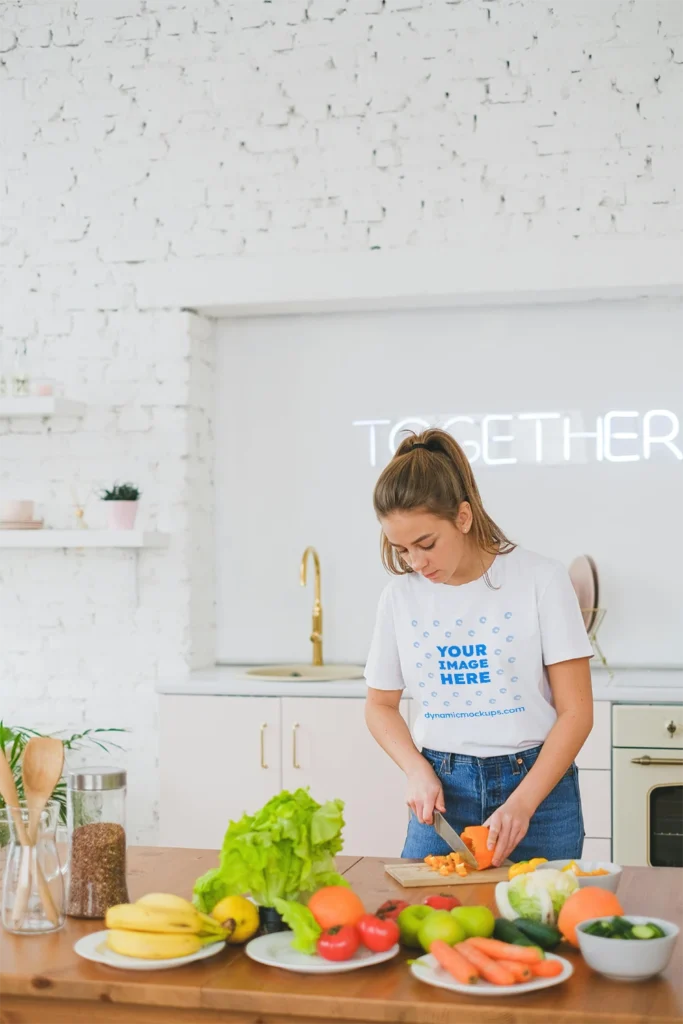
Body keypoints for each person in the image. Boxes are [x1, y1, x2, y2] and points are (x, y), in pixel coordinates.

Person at [364, 428, 593, 867]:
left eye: (426, 544)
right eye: (402, 549)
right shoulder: (399, 598)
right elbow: (380, 705)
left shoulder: (540, 580)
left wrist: (523, 804)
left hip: (539, 791)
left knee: (540, 926)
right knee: (428, 926)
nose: (415, 562)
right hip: (444, 792)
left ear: (463, 517)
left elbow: (577, 712)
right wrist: (415, 769)